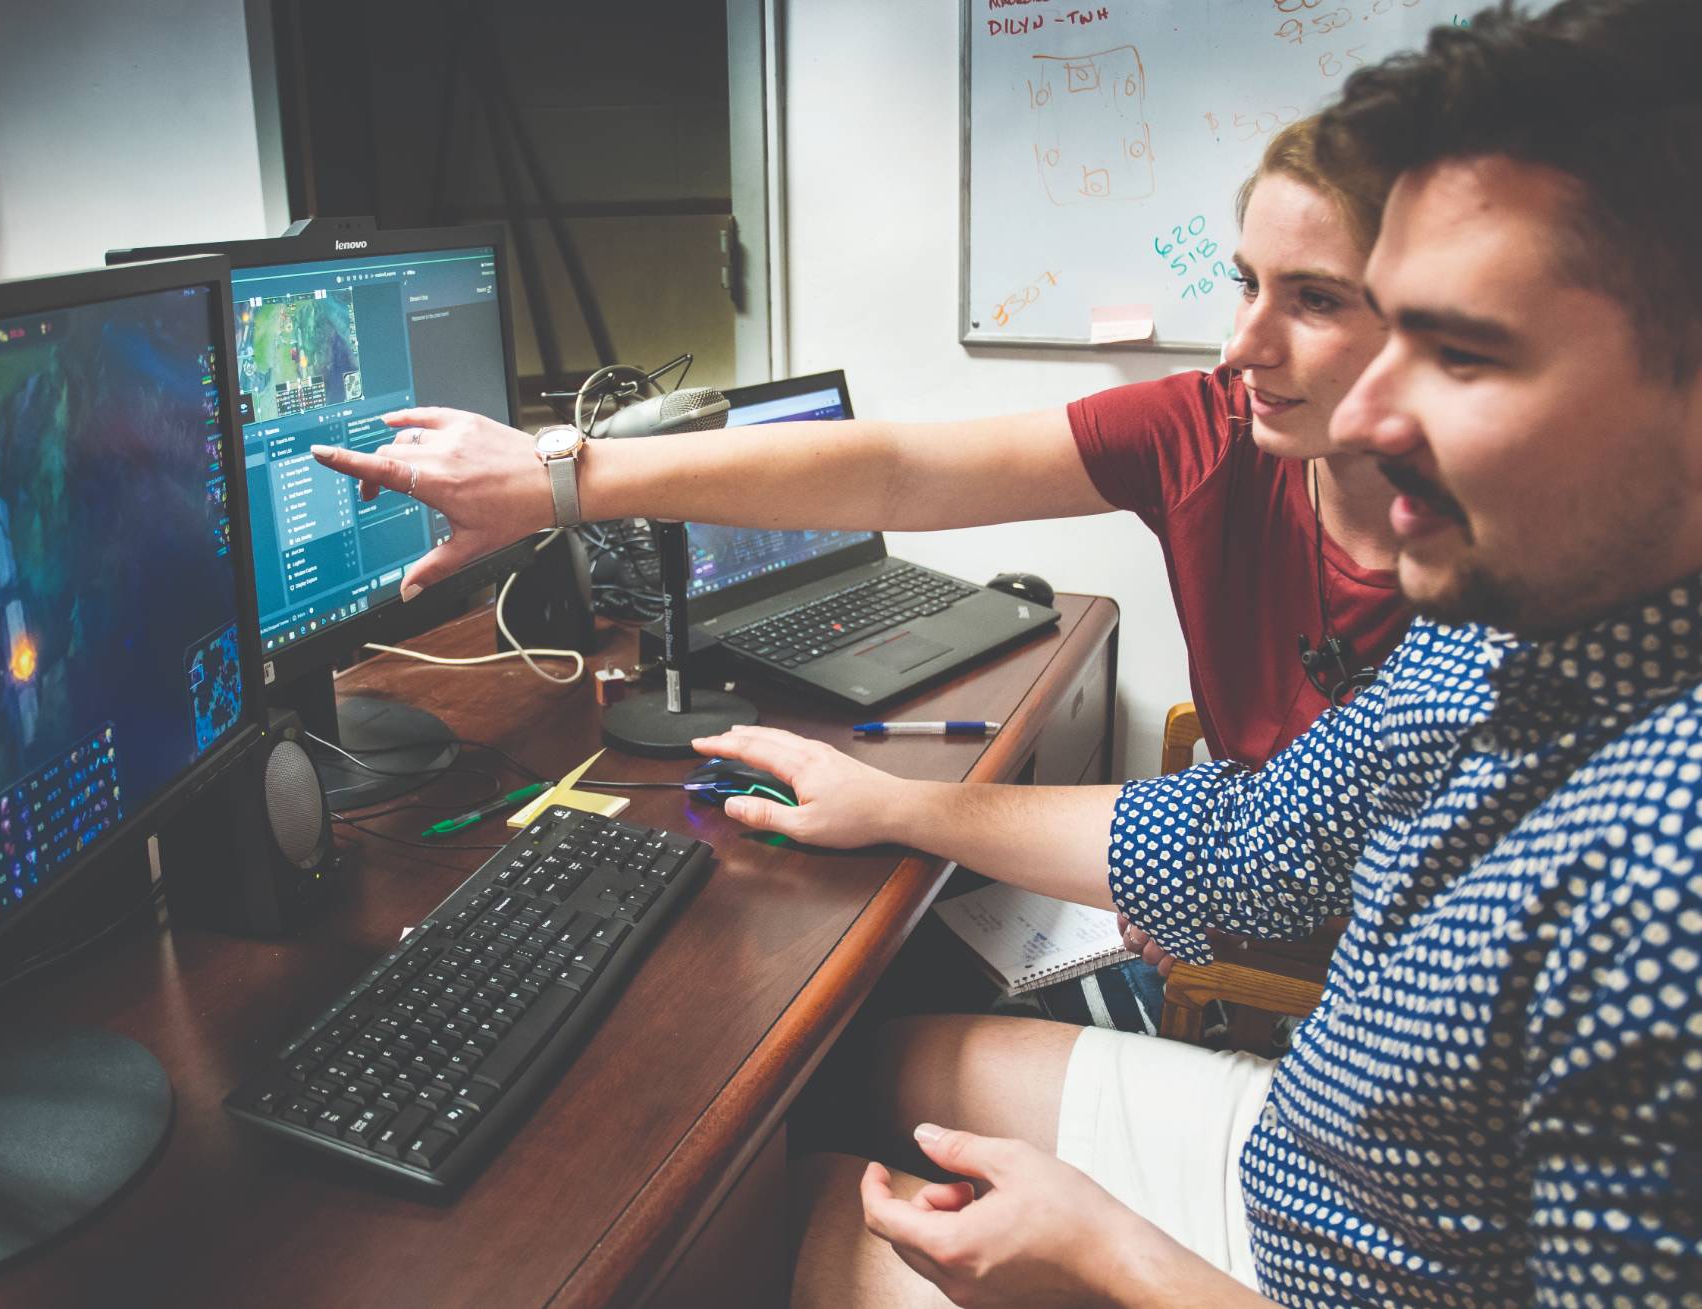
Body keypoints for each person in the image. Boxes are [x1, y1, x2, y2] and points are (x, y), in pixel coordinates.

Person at [713, 1, 1702, 1302]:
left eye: (1462, 353)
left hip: (1350, 1267)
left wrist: (1103, 1249)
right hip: (1321, 1152)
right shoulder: (1499, 623)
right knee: (850, 1073)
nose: (1375, 412)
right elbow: (1242, 838)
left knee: (824, 1236)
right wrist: (897, 804)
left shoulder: (1665, 884)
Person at [312, 116, 1410, 775]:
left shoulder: (1509, 561)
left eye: (1310, 300)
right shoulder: (1204, 428)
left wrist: (1173, 875)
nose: (1239, 346)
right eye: (1242, 285)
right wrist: (566, 480)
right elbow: (898, 469)